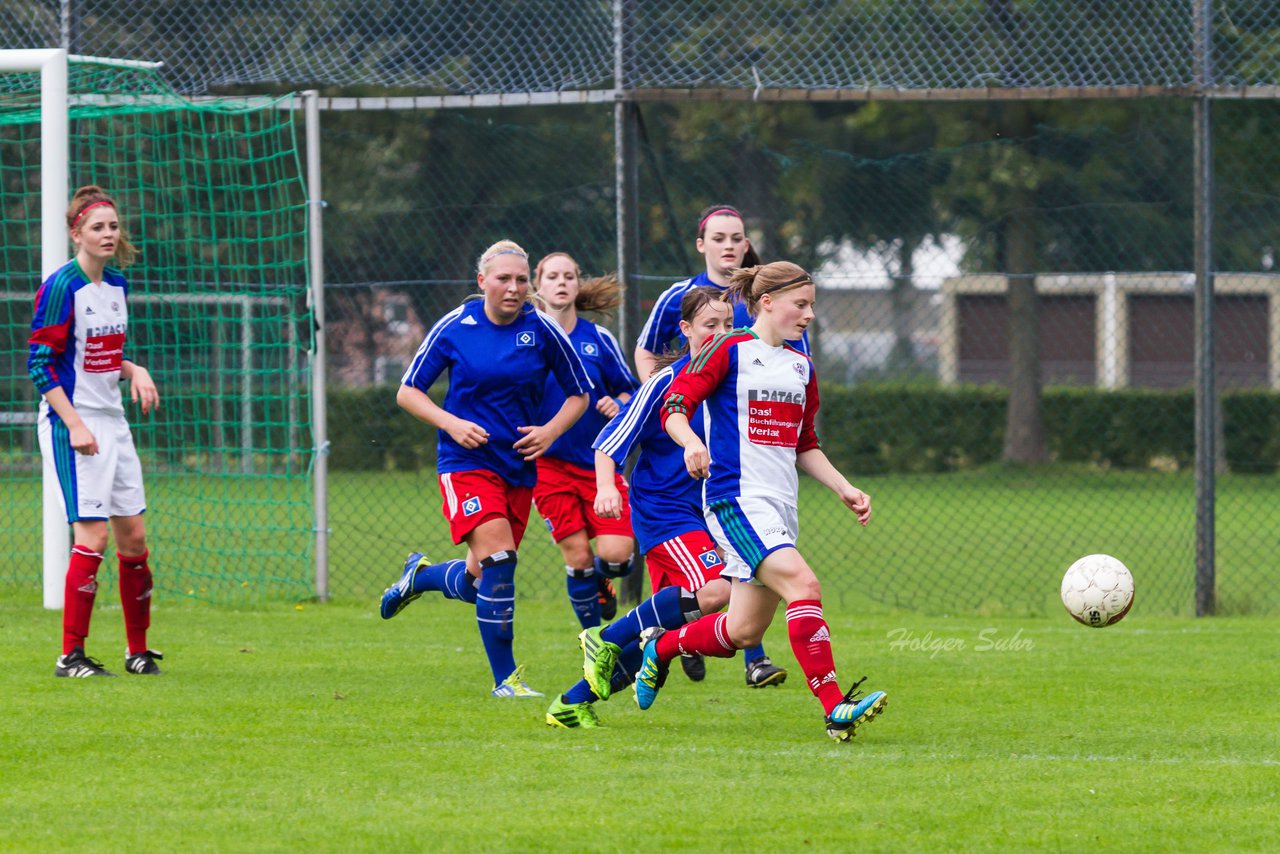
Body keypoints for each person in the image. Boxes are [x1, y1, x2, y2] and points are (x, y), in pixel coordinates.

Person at [638, 261, 888, 742]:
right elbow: (676, 406)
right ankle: (836, 708)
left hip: (779, 509)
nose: (810, 314)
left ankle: (662, 648)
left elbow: (805, 443)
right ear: (767, 303)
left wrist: (844, 488)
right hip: (734, 500)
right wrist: (690, 442)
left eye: (813, 305)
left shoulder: (801, 367)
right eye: (802, 304)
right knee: (804, 585)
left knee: (743, 631)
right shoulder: (727, 350)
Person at [545, 287, 785, 730]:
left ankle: (572, 702)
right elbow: (611, 442)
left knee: (678, 627)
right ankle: (604, 635)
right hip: (666, 511)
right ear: (686, 330)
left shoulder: (737, 381)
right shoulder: (665, 382)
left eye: (728, 326)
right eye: (709, 326)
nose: (720, 334)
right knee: (718, 592)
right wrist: (605, 487)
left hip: (716, 514)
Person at [378, 240, 592, 698]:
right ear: (482, 282)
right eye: (503, 279)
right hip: (466, 463)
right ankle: (506, 681)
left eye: (520, 280)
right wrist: (451, 423)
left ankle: (421, 577)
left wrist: (550, 432)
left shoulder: (544, 330)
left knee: (480, 582)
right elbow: (408, 391)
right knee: (500, 561)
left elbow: (580, 394)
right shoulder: (456, 326)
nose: (513, 288)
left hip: (517, 467)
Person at [28, 185, 163, 677]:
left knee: (134, 538)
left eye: (113, 225)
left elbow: (96, 358)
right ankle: (70, 655)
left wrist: (134, 369)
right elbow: (40, 365)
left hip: (113, 423)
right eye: (97, 227)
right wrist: (75, 423)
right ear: (76, 234)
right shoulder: (62, 286)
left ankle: (137, 651)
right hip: (74, 425)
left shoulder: (117, 286)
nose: (108, 234)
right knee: (93, 538)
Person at [531, 252, 639, 628]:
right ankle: (594, 641)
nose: (561, 283)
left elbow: (631, 392)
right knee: (576, 556)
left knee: (618, 558)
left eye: (569, 276)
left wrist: (618, 403)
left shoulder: (597, 339)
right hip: (546, 466)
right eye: (552, 276)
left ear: (578, 286)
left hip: (599, 464)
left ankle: (602, 580)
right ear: (537, 285)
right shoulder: (525, 337)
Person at [632, 203, 808, 384]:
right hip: (694, 409)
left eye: (736, 239)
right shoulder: (678, 295)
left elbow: (799, 361)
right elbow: (646, 351)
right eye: (718, 239)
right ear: (701, 245)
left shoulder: (770, 299)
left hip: (755, 409)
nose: (729, 246)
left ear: (746, 245)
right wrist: (663, 396)